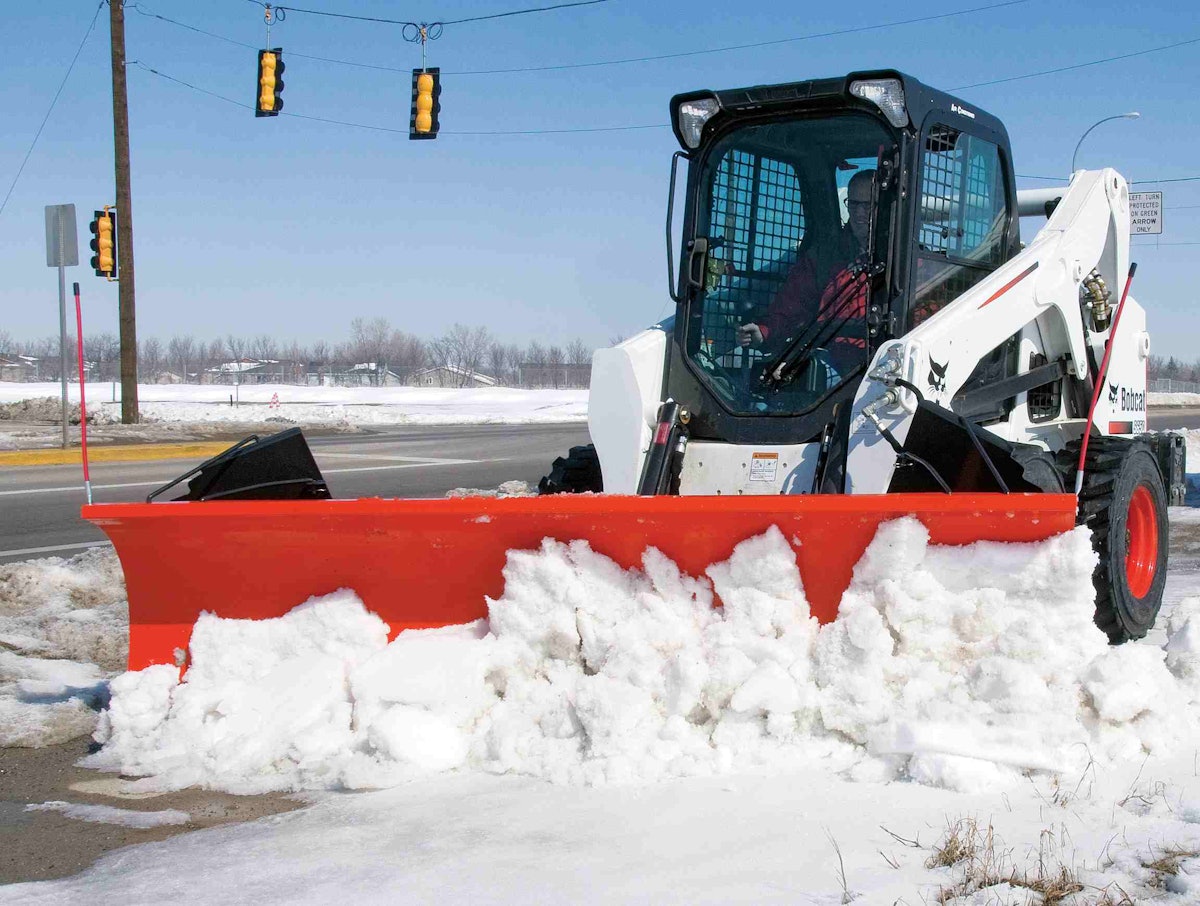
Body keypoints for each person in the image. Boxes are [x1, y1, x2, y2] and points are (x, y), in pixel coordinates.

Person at [736, 168, 876, 374]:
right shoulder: (825, 257)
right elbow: (792, 304)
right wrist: (763, 332)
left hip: (879, 365)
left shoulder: (908, 263)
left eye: (868, 205)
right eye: (854, 204)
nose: (859, 212)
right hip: (828, 359)